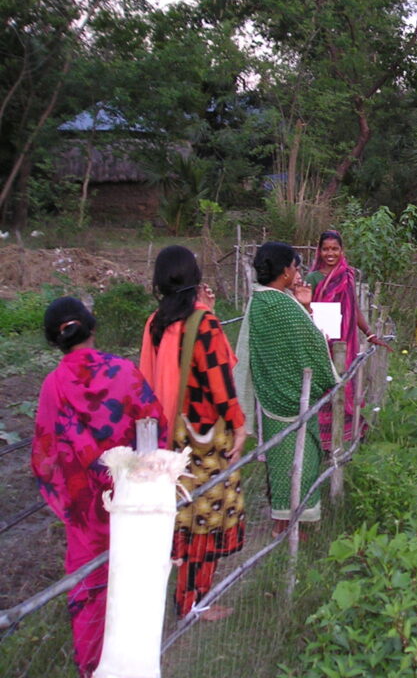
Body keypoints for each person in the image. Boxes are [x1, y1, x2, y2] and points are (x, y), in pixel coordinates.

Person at [32, 297, 164, 678]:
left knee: (91, 589)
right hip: (132, 505)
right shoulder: (124, 372)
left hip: (85, 512)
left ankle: (94, 668)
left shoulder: (53, 386)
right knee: (135, 578)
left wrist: (69, 499)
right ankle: (136, 662)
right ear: (91, 327)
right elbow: (155, 427)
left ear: (54, 340)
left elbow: (43, 457)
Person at [138, 245, 245, 622]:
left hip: (165, 439)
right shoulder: (204, 325)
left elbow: (150, 379)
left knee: (178, 519)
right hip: (202, 440)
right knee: (204, 521)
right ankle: (192, 603)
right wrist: (240, 426)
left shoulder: (155, 323)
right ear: (195, 278)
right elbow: (220, 383)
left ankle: (177, 598)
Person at [234, 241, 338, 537]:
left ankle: (284, 524)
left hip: (272, 396)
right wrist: (304, 308)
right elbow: (313, 343)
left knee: (281, 464)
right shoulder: (280, 305)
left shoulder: (262, 300)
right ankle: (288, 528)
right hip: (293, 399)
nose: (297, 272)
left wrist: (303, 305)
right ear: (284, 271)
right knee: (299, 464)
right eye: (294, 266)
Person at [305, 230, 389, 449]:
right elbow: (305, 310)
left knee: (344, 383)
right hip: (321, 340)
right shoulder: (312, 278)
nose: (330, 253)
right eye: (325, 249)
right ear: (319, 251)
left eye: (334, 249)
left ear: (341, 251)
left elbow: (354, 310)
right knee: (325, 385)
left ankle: (345, 435)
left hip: (345, 342)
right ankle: (322, 441)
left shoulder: (347, 275)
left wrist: (370, 334)